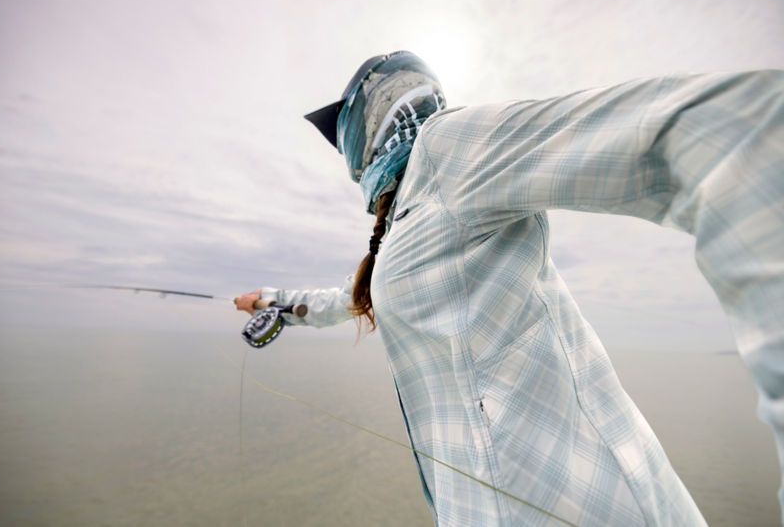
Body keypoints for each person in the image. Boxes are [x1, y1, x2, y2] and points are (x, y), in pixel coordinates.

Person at [235, 51, 784, 526]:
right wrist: (272, 302)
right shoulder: (400, 222)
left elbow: (724, 130)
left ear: (370, 124)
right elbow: (351, 300)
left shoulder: (446, 151)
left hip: (589, 505)